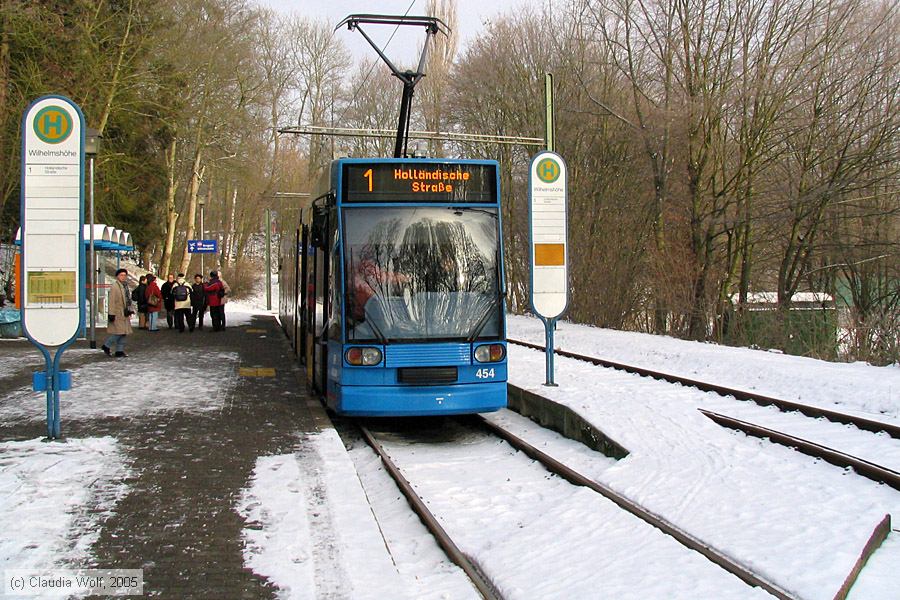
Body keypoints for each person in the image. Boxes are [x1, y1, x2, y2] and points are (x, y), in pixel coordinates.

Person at [101, 268, 134, 357]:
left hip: (125, 313)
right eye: (121, 275)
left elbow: (127, 300)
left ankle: (119, 351)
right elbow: (111, 301)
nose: (123, 277)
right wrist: (111, 313)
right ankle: (106, 345)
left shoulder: (125, 286)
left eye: (124, 275)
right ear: (117, 276)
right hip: (117, 313)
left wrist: (129, 310)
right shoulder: (115, 286)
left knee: (124, 333)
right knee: (118, 332)